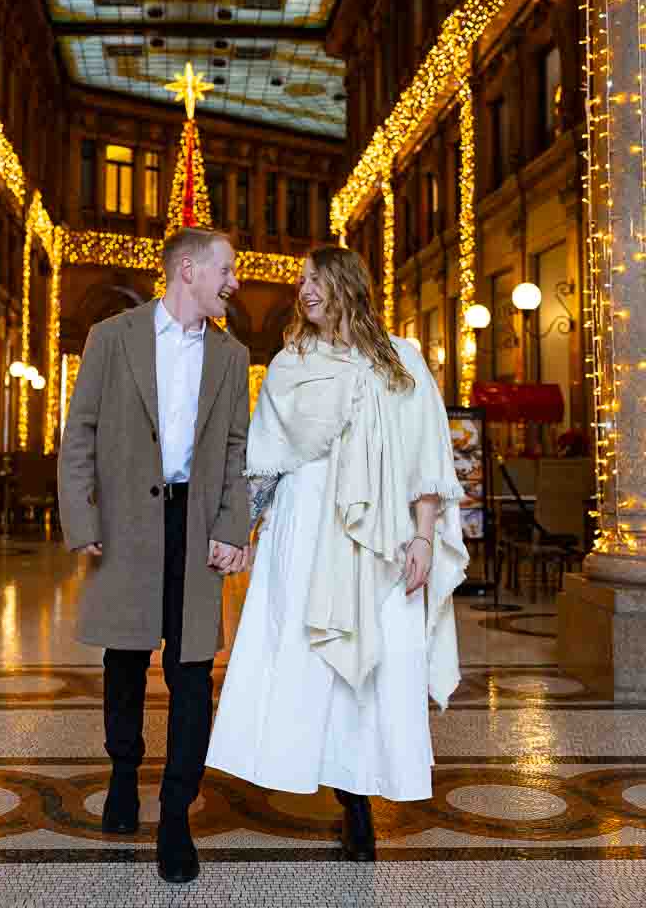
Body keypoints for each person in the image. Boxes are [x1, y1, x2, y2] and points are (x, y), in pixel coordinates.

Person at [206, 244, 468, 860]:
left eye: (314, 278)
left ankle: (361, 803)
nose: (304, 290)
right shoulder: (291, 362)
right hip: (303, 530)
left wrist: (425, 538)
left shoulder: (402, 361)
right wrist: (240, 533)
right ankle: (334, 789)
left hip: (383, 537)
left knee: (381, 667)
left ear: (345, 282)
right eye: (301, 281)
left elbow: (428, 460)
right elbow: (264, 464)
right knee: (308, 663)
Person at [58, 227, 251, 885]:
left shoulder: (232, 356)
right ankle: (121, 772)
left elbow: (235, 450)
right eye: (226, 270)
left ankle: (175, 814)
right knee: (125, 657)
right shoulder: (113, 337)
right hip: (127, 524)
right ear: (189, 271)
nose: (234, 282)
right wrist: (82, 516)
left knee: (194, 670)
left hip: (196, 527)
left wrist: (233, 526)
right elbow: (79, 429)